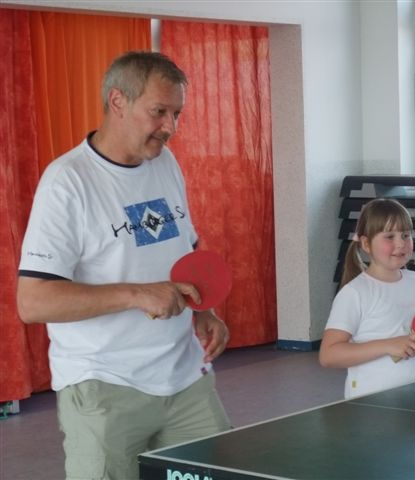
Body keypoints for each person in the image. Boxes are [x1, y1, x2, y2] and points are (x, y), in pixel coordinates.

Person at [17, 51, 231, 480]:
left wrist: (204, 310)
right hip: (104, 386)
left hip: (185, 378)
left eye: (177, 113)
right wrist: (136, 294)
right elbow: (33, 302)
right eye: (159, 112)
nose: (171, 127)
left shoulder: (165, 163)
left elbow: (183, 249)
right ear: (118, 102)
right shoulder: (67, 182)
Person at [320, 198, 415, 399]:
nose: (400, 243)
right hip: (370, 405)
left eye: (406, 235)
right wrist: (388, 345)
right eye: (389, 236)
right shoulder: (354, 293)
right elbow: (328, 355)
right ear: (366, 243)